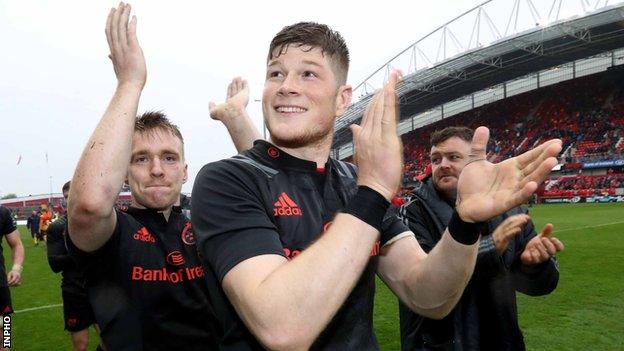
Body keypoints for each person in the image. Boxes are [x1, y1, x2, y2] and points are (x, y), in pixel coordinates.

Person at [192, 22, 562, 350]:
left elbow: (428, 294)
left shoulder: (353, 181)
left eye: (308, 74)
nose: (286, 87)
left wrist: (464, 224)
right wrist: (371, 192)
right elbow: (282, 328)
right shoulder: (226, 179)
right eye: (275, 73)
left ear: (342, 99)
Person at [67, 4, 217, 350]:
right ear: (121, 173)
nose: (157, 170)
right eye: (140, 159)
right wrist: (130, 83)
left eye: (169, 157)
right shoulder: (115, 233)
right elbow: (89, 204)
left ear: (185, 170)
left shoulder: (209, 225)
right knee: (8, 328)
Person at [399, 126, 565, 350]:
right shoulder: (413, 211)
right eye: (436, 159)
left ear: (477, 163)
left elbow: (538, 287)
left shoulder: (514, 211)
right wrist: (489, 247)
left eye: (454, 157)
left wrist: (534, 265)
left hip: (502, 340)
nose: (443, 164)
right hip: (439, 343)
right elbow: (424, 281)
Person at [47, 181, 104, 351]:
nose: (69, 199)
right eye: (66, 197)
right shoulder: (58, 226)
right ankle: (7, 345)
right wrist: (82, 250)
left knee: (110, 341)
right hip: (74, 291)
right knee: (81, 346)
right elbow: (55, 264)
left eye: (73, 194)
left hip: (101, 288)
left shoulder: (101, 221)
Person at [0, 205, 25, 340]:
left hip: (0, 283)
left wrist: (16, 269)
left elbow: (17, 244)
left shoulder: (2, 212)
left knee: (5, 330)